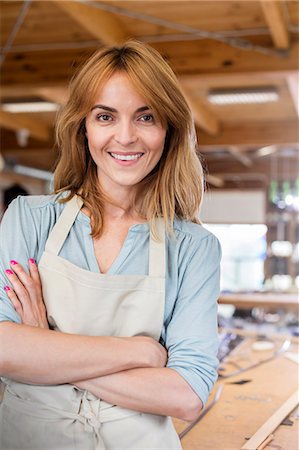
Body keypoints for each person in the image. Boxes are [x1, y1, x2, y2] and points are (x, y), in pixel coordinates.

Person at [0, 40, 221, 449]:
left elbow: (186, 396)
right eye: (105, 116)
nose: (125, 137)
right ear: (83, 126)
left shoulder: (194, 247)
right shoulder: (29, 219)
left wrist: (44, 342)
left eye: (145, 116)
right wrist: (139, 352)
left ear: (168, 128)